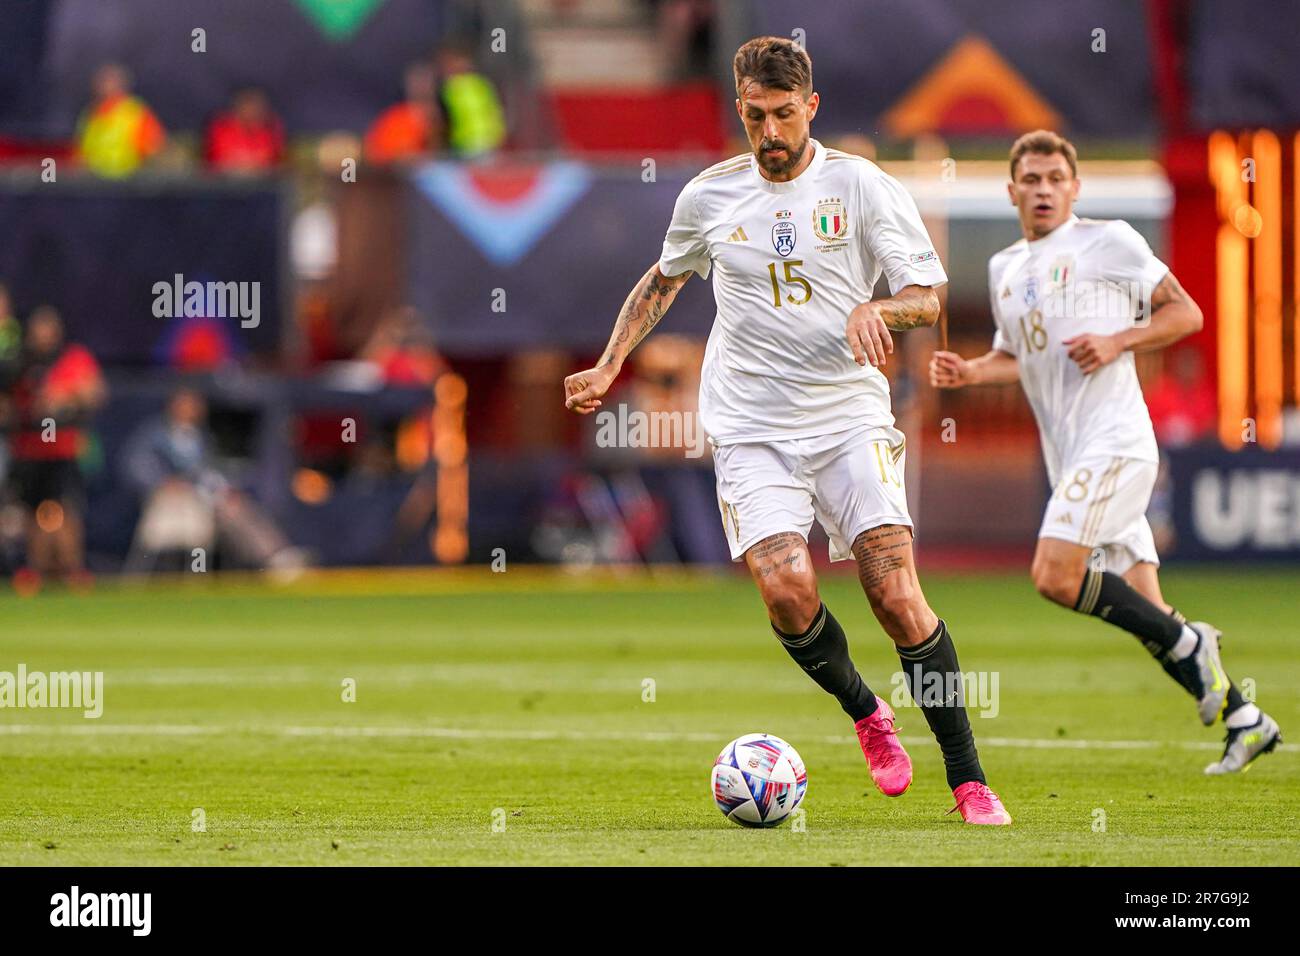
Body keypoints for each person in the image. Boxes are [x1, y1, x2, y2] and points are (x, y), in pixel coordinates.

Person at [563, 37, 1011, 824]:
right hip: (750, 422)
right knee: (785, 587)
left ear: (811, 108)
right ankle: (867, 712)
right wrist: (608, 365)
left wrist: (880, 307)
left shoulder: (859, 185)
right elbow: (663, 279)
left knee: (896, 594)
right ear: (741, 108)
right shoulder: (710, 196)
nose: (770, 131)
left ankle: (969, 780)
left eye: (783, 115)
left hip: (845, 414)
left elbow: (929, 294)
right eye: (755, 116)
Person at [929, 130, 1280, 775]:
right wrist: (973, 372)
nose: (1043, 190)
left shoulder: (1109, 241)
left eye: (1055, 178)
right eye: (1031, 180)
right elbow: (1020, 355)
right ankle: (1244, 718)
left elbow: (1188, 314)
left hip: (1116, 444)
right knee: (1150, 608)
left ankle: (1190, 641)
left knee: (1054, 577)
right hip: (1071, 457)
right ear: (1012, 191)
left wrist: (1120, 340)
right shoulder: (1006, 269)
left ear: (1075, 187)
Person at [5, 307, 106, 587]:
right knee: (32, 511)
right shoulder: (19, 361)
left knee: (66, 509)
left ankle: (72, 569)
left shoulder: (72, 359)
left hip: (63, 449)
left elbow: (95, 392)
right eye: (39, 329)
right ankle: (35, 570)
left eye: (49, 329)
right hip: (28, 449)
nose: (44, 335)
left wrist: (65, 397)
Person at [76, 63, 166, 178]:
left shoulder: (135, 112)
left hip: (127, 184)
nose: (104, 85)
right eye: (102, 81)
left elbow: (154, 149)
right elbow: (81, 151)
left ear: (122, 84)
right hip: (94, 183)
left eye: (110, 80)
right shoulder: (90, 114)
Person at [364, 62, 442, 165]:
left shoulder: (444, 115)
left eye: (425, 81)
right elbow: (375, 151)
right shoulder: (395, 117)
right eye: (417, 82)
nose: (421, 86)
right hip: (399, 173)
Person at [204, 87, 285, 174]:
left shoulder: (270, 130)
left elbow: (274, 162)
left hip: (263, 183)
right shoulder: (221, 128)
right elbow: (218, 161)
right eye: (247, 105)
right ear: (237, 107)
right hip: (226, 182)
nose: (251, 111)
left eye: (255, 106)